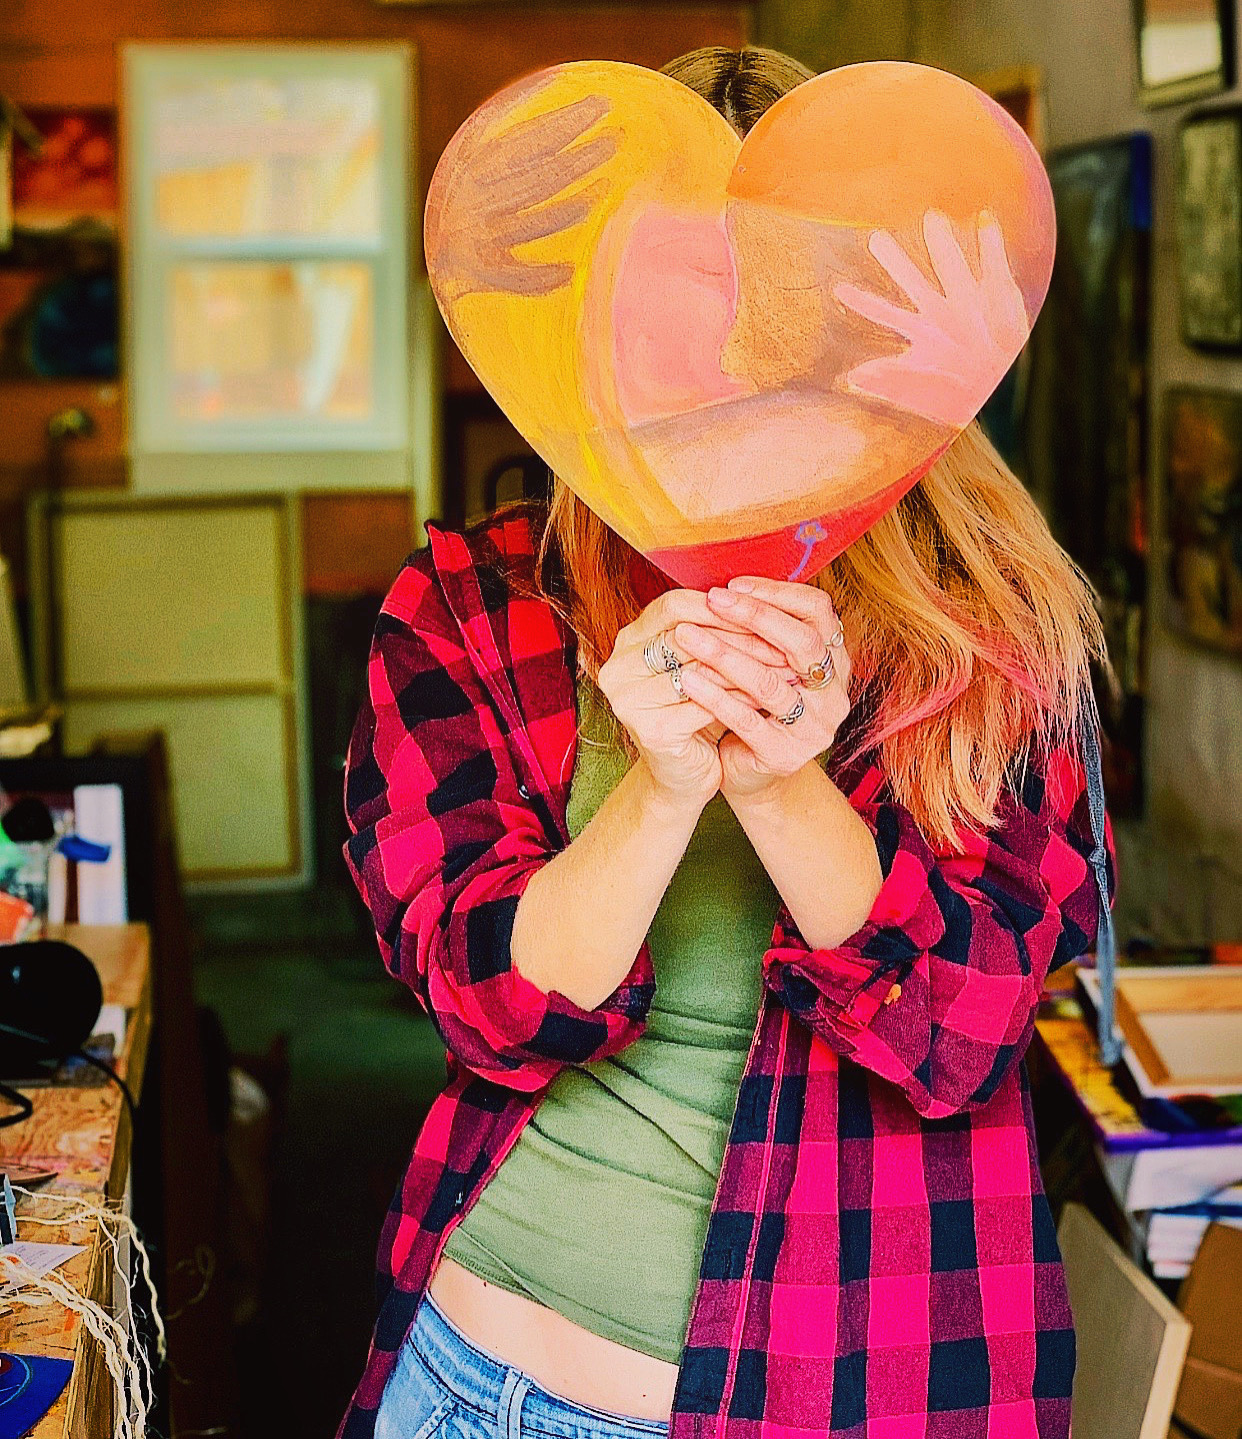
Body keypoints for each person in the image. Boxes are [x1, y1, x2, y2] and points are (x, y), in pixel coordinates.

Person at [337, 45, 1116, 1439]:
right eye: (684, 291)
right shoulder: (471, 602)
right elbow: (488, 1012)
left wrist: (778, 782)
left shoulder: (991, 629)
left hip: (859, 1395)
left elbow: (959, 1043)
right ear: (585, 316)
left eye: (782, 293)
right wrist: (656, 788)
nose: (727, 345)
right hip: (478, 1383)